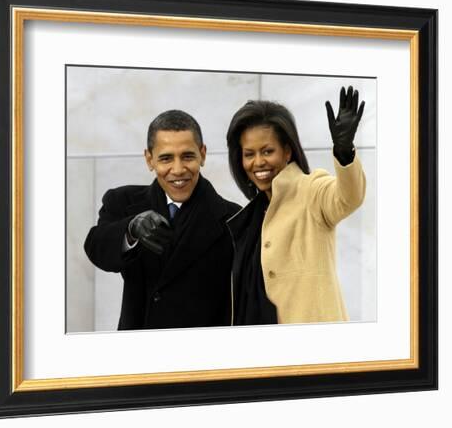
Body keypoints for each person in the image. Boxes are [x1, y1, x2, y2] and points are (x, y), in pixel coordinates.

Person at [84, 110, 240, 330]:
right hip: (139, 352)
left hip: (203, 355)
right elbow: (96, 248)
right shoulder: (122, 202)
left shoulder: (235, 218)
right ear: (149, 159)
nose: (177, 170)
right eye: (166, 158)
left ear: (202, 155)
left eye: (187, 156)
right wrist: (131, 230)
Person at [226, 86, 366, 325]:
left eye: (267, 151)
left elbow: (347, 198)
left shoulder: (311, 190)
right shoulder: (250, 216)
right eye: (249, 154)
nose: (258, 162)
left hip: (314, 349)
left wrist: (344, 151)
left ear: (287, 151)